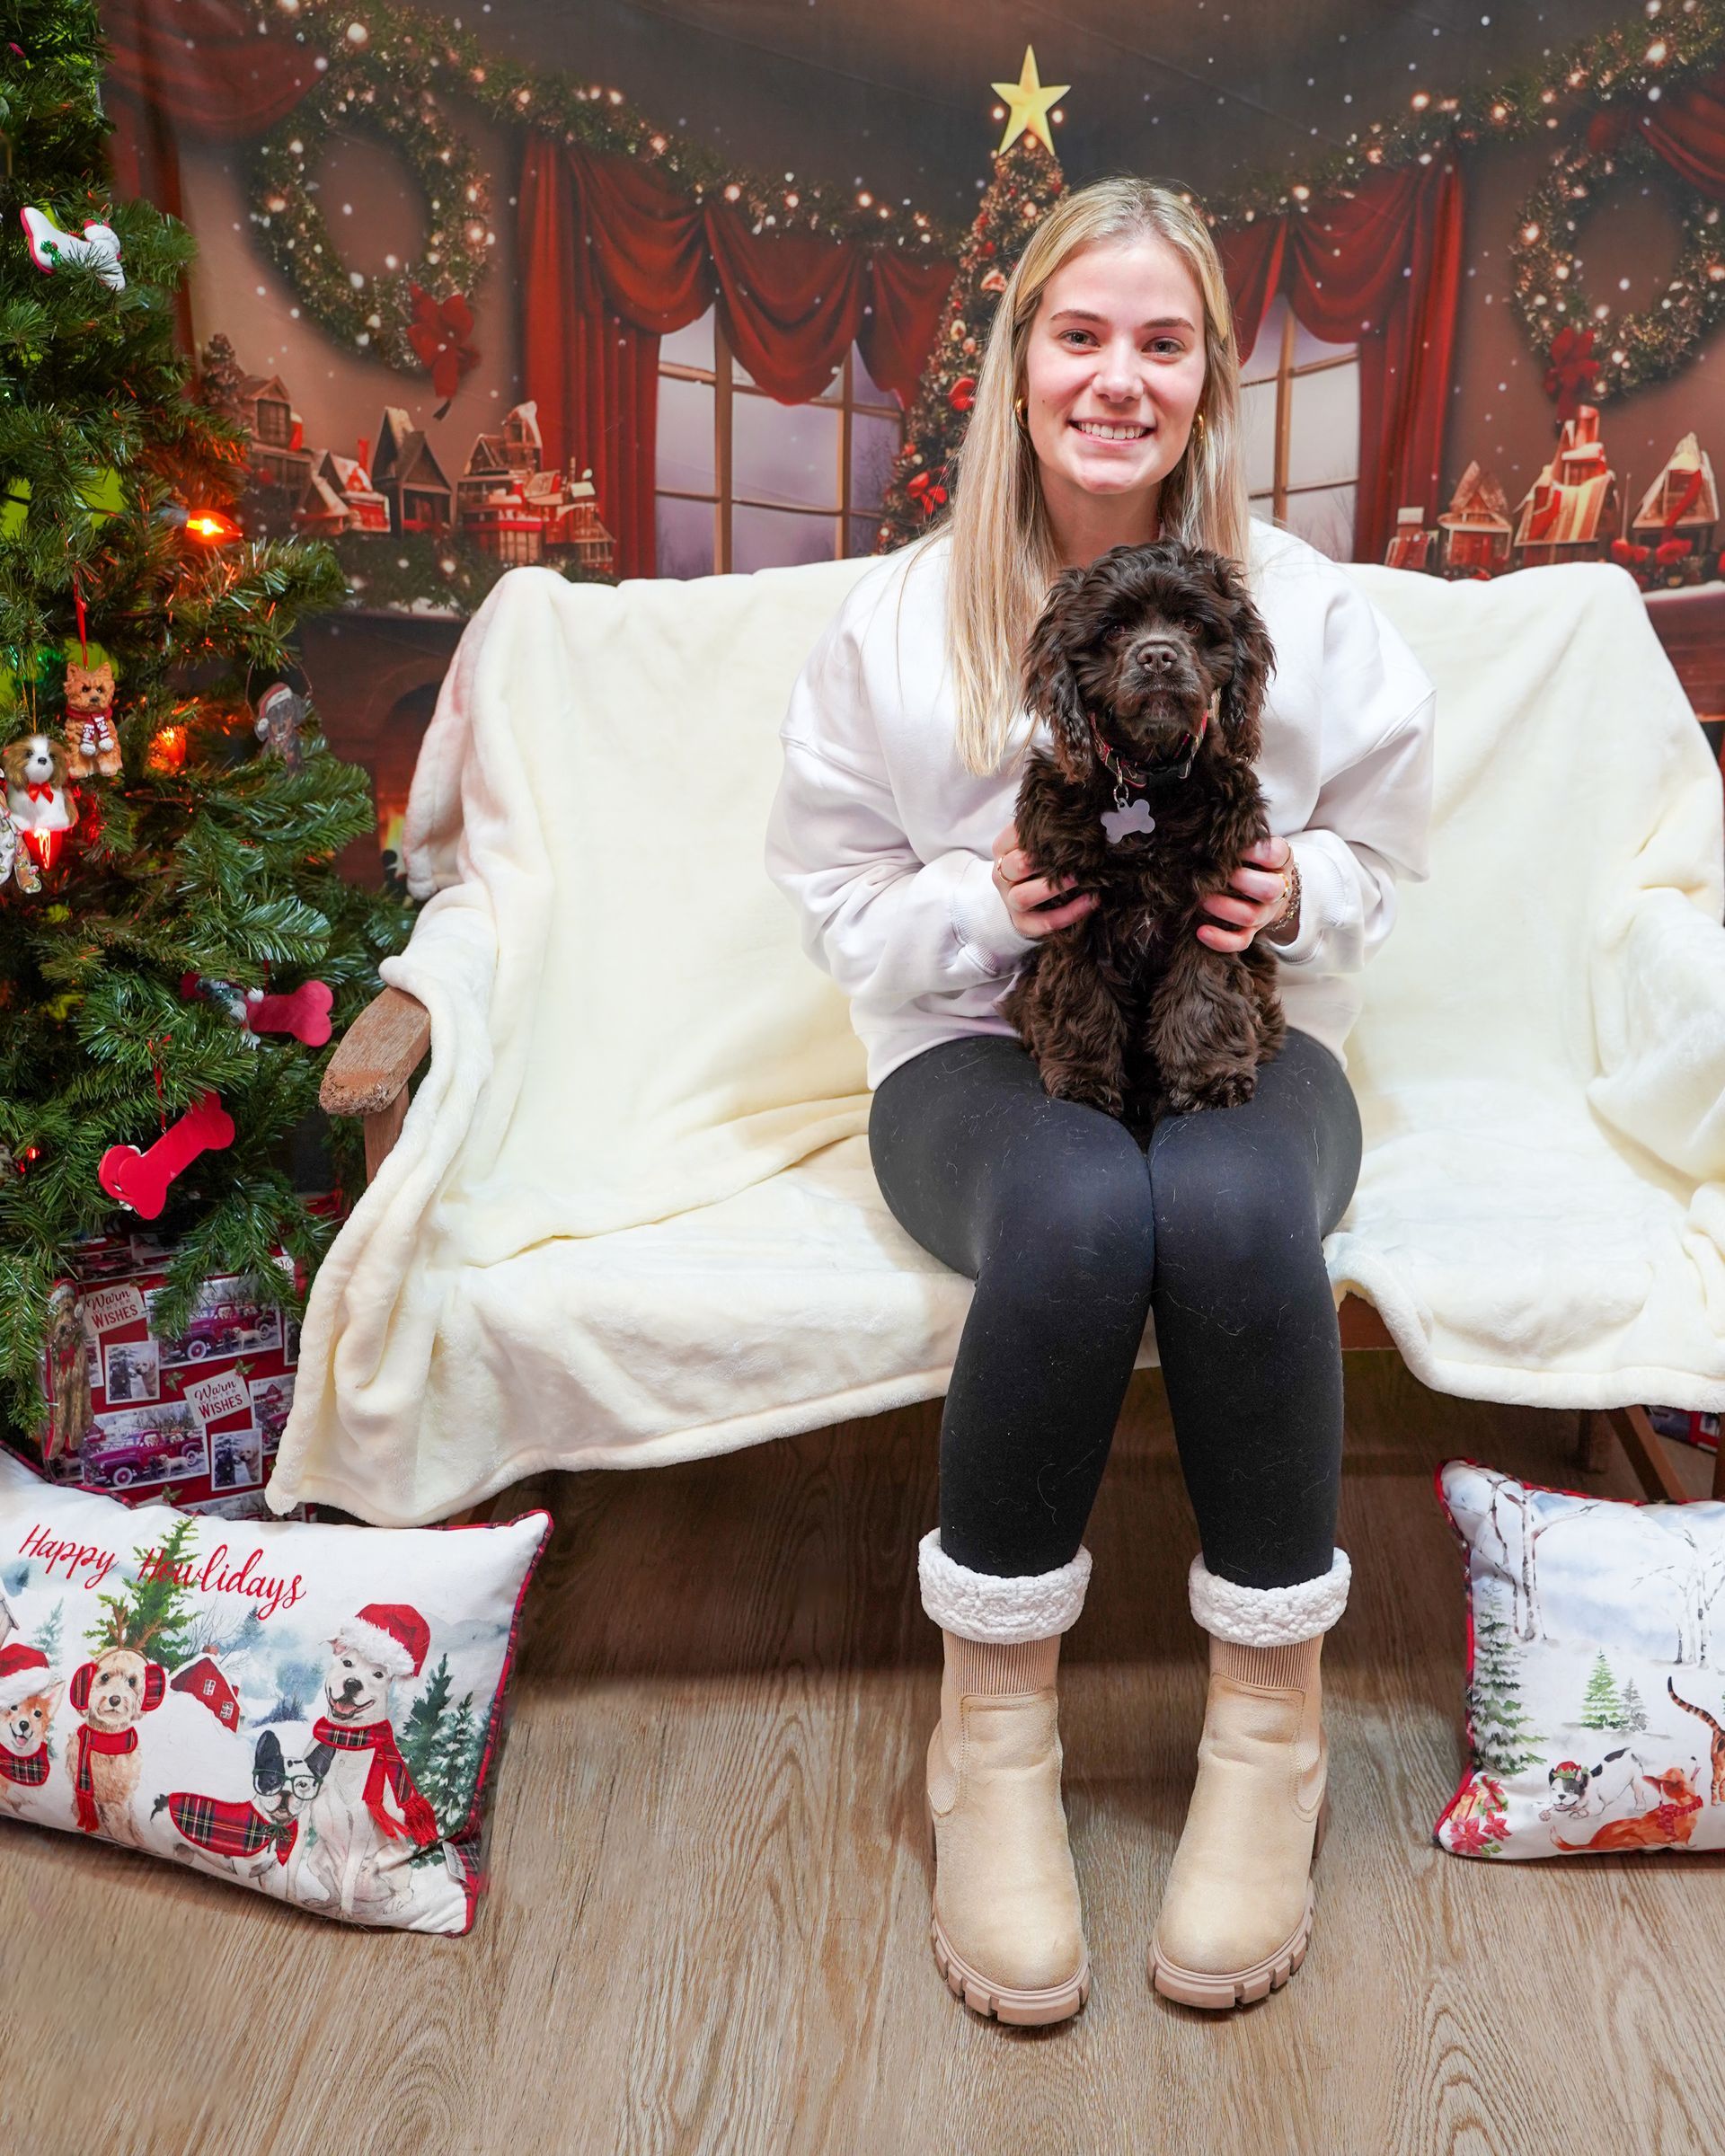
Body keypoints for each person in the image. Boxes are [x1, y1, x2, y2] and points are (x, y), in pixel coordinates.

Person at [762, 174, 1436, 2023]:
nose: (1119, 378)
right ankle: (989, 1746)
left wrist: (1306, 887)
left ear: (1209, 380)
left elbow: (1389, 848)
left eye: (1163, 342)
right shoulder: (902, 621)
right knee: (1076, 1208)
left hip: (1238, 1029)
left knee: (1221, 1206)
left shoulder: (1296, 606)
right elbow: (828, 905)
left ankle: (1269, 1738)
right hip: (979, 1057)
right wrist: (977, 901)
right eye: (1083, 335)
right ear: (1020, 362)